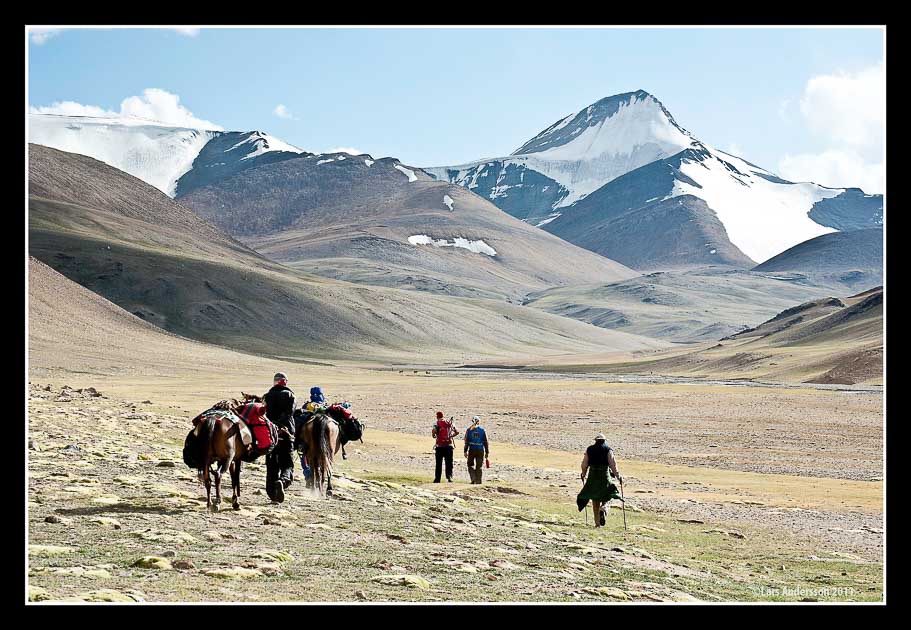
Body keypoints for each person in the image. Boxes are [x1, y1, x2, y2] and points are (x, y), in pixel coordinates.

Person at [576, 433, 623, 528]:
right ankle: (604, 509)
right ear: (604, 440)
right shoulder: (608, 450)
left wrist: (583, 474)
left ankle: (597, 524)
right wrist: (618, 476)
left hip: (593, 476)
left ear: (595, 440)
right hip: (604, 476)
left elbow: (584, 464)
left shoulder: (589, 449)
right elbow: (613, 465)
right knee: (608, 496)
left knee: (595, 499)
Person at [263, 372, 296, 503]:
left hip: (270, 434)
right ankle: (283, 481)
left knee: (271, 466)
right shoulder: (290, 395)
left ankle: (272, 495)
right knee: (287, 463)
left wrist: (273, 425)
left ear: (274, 382)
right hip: (285, 433)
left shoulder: (267, 396)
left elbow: (263, 414)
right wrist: (281, 425)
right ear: (285, 382)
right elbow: (290, 413)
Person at [431, 412, 459, 483]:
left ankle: (437, 479)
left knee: (438, 464)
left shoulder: (437, 423)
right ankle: (449, 477)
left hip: (439, 446)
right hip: (449, 446)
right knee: (449, 463)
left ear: (437, 417)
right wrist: (450, 436)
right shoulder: (449, 422)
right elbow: (457, 431)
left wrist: (433, 435)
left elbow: (434, 430)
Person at [463, 416, 489, 485]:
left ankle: (473, 478)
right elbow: (485, 442)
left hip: (472, 450)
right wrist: (487, 452)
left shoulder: (469, 430)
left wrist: (465, 451)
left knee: (470, 465)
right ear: (479, 422)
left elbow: (466, 442)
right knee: (479, 466)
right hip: (480, 450)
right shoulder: (483, 430)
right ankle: (479, 482)